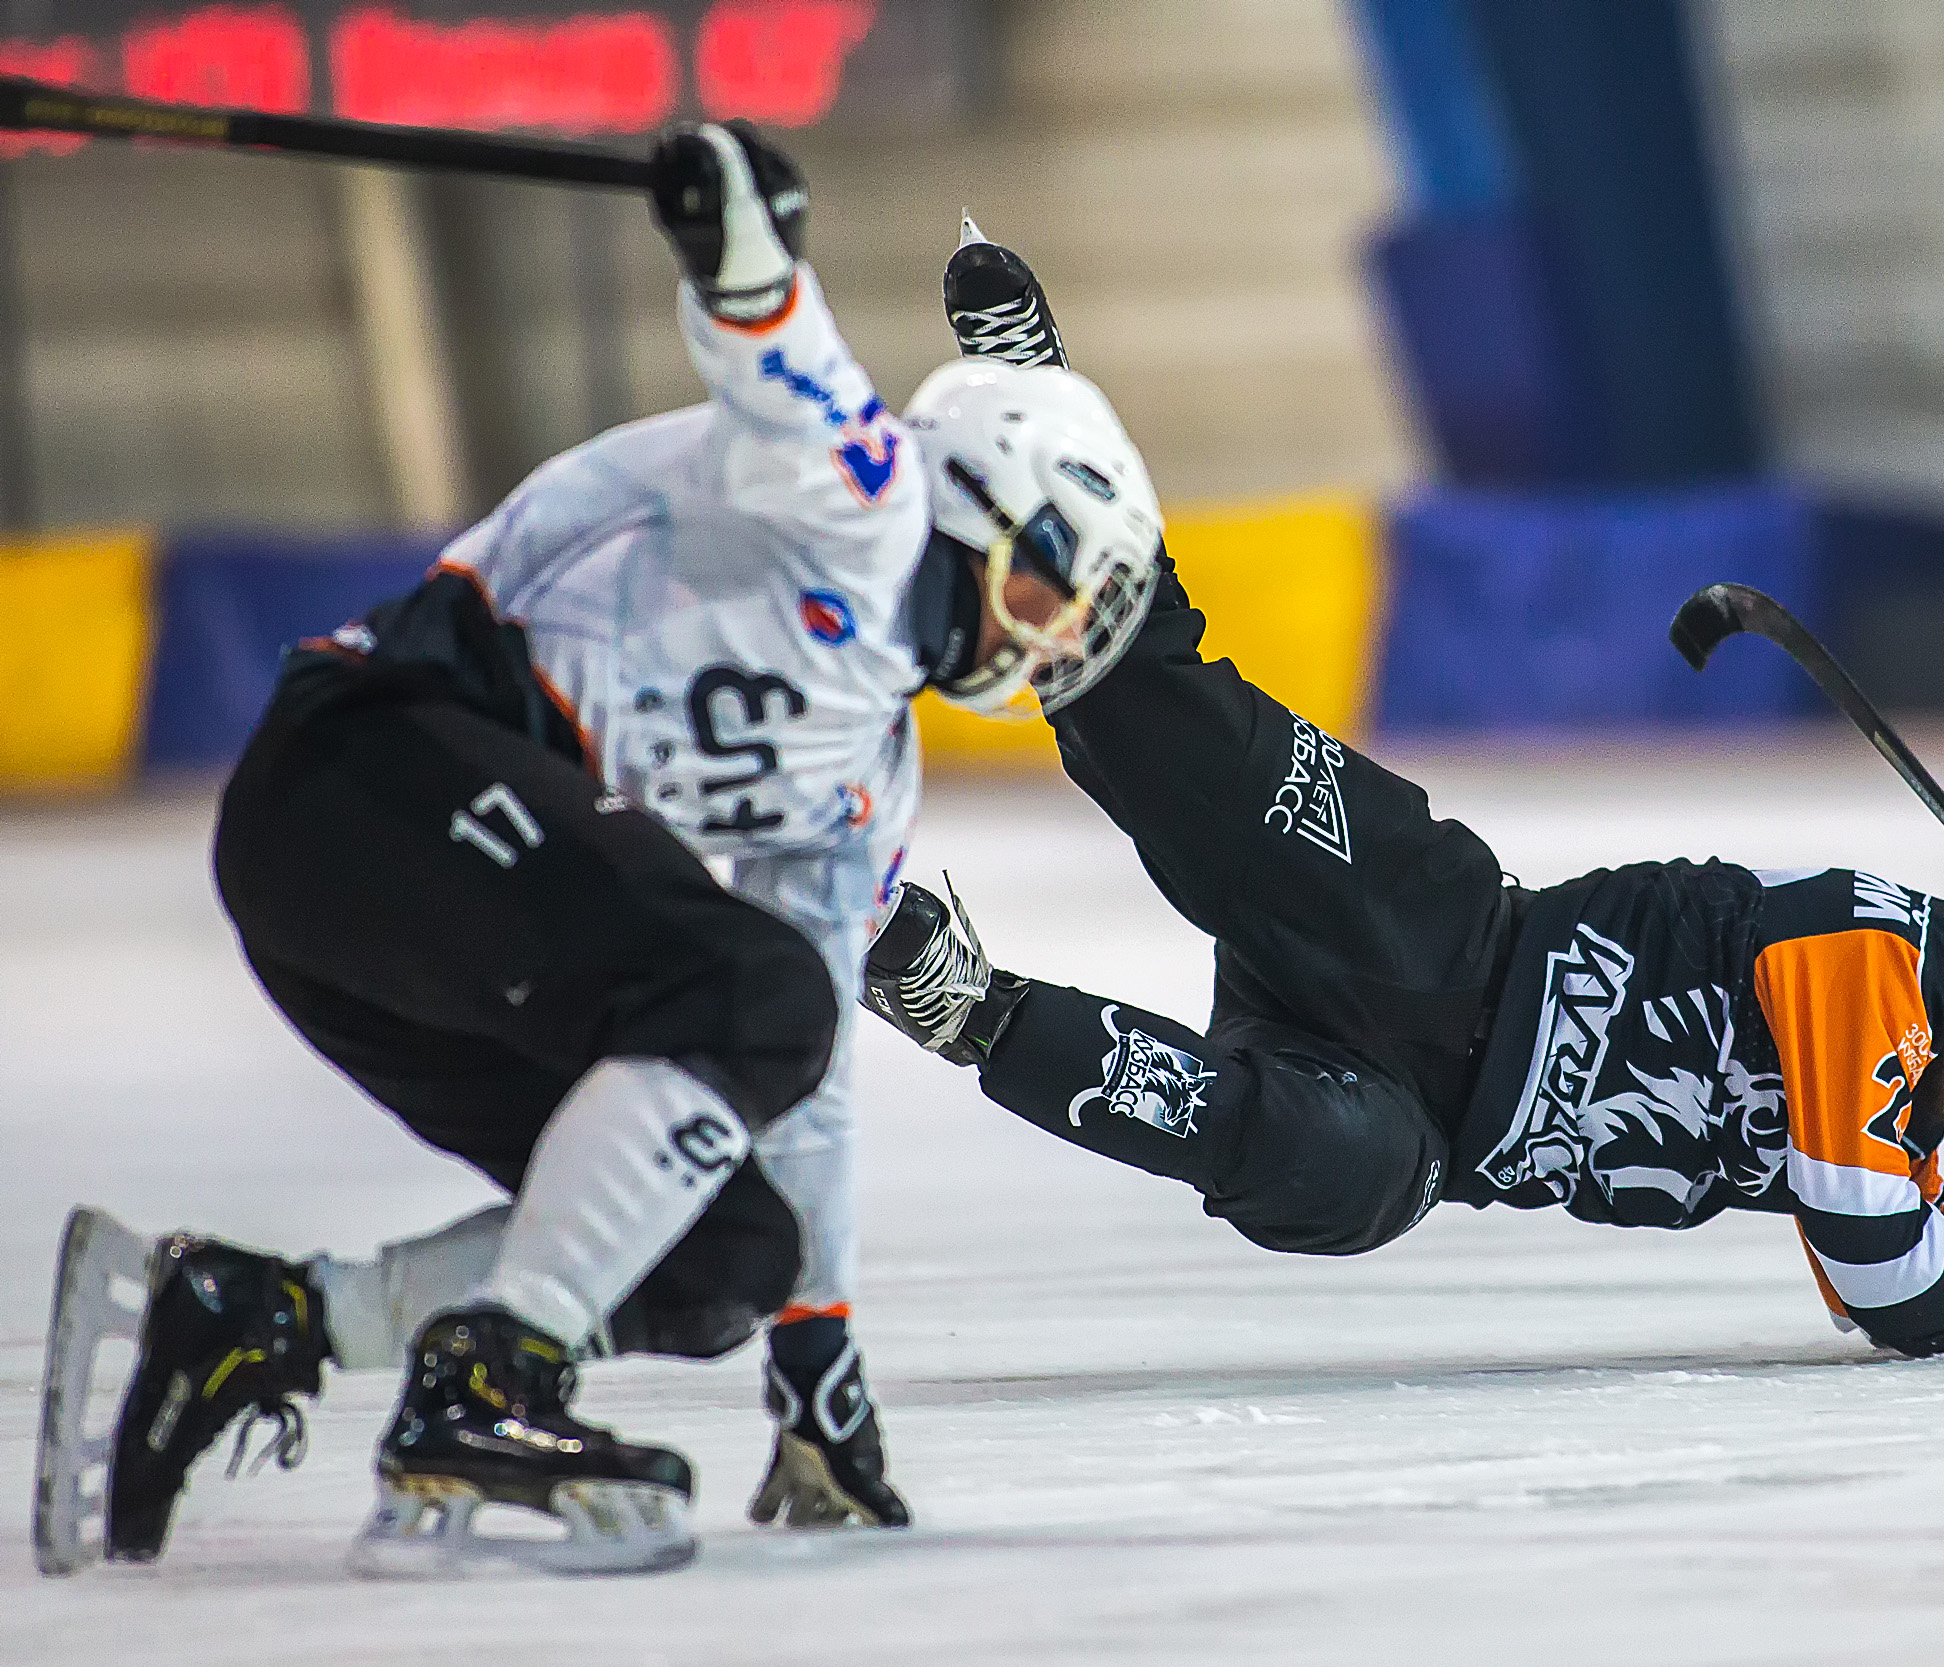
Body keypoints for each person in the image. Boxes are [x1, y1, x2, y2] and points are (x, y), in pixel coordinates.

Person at [35, 130, 1162, 1578]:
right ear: (982, 500)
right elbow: (773, 345)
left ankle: (263, 1316)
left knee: (724, 1258)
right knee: (752, 993)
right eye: (1045, 587)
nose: (1041, 637)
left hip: (422, 911)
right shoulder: (862, 496)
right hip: (357, 779)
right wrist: (745, 237)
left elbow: (799, 1078)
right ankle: (489, 1387)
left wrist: (817, 1361)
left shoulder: (868, 762)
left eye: (1071, 624)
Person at [860, 231, 1944, 1360]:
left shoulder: (1907, 1106)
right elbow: (1894, 1280)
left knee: (1336, 1184)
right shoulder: (1871, 958)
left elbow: (1891, 1283)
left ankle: (966, 1008)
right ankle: (1034, 418)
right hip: (1431, 928)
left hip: (1424, 1122)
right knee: (1157, 718)